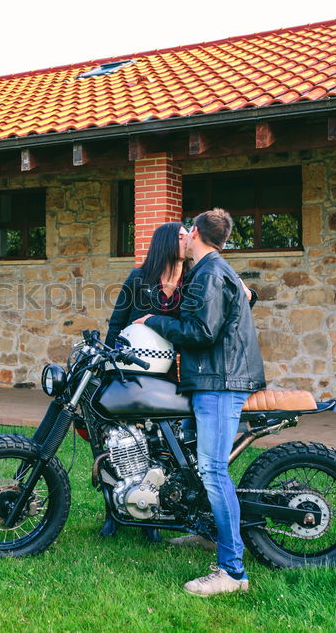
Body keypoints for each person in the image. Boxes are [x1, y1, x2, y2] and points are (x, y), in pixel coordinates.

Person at [134, 208, 265, 597]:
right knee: (195, 464)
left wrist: (153, 321)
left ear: (194, 233)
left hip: (220, 382)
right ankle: (205, 533)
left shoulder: (210, 272)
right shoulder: (213, 270)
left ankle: (232, 572)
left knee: (212, 471)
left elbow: (201, 332)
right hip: (211, 378)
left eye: (185, 232)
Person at [99, 222, 187, 542]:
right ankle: (114, 511)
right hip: (132, 373)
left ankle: (152, 512)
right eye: (180, 236)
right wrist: (111, 364)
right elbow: (117, 322)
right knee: (122, 439)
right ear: (166, 242)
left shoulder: (191, 280)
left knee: (162, 443)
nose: (187, 240)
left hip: (169, 375)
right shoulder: (139, 278)